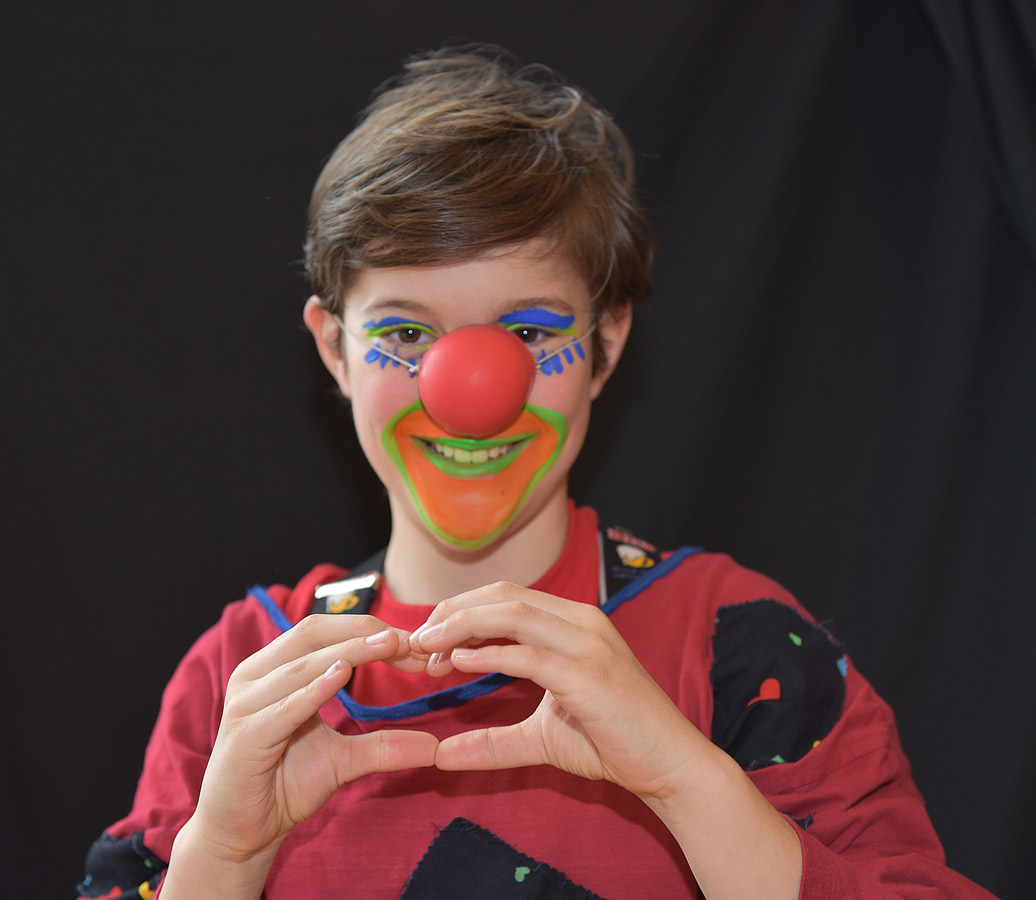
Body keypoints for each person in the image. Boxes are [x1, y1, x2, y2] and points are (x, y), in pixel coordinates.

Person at [77, 45, 998, 900]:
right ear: (335, 348)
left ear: (606, 343)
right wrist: (224, 855)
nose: (467, 393)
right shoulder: (245, 670)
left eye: (526, 331)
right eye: (405, 331)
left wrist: (685, 779)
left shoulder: (739, 646)